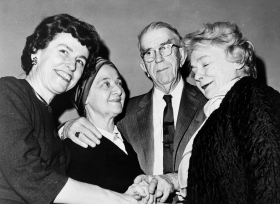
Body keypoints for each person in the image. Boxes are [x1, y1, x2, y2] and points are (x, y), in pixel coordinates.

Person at [0, 14, 156, 204]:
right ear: (36, 50)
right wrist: (121, 199)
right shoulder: (8, 92)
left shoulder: (48, 117)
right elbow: (32, 180)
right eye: (64, 51)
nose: (72, 65)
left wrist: (129, 191)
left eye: (80, 60)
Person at [61, 21, 207, 203]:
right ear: (144, 66)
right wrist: (64, 128)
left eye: (165, 48)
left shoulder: (212, 106)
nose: (158, 59)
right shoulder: (124, 114)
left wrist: (172, 180)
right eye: (148, 53)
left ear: (182, 55)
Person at [138, 21, 280, 204]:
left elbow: (272, 176)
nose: (197, 76)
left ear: (237, 59)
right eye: (195, 70)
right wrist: (171, 181)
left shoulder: (251, 94)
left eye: (205, 64)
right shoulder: (219, 113)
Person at [64, 57, 144, 193]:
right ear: (86, 97)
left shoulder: (125, 142)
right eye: (106, 84)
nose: (118, 90)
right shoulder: (74, 150)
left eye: (119, 83)